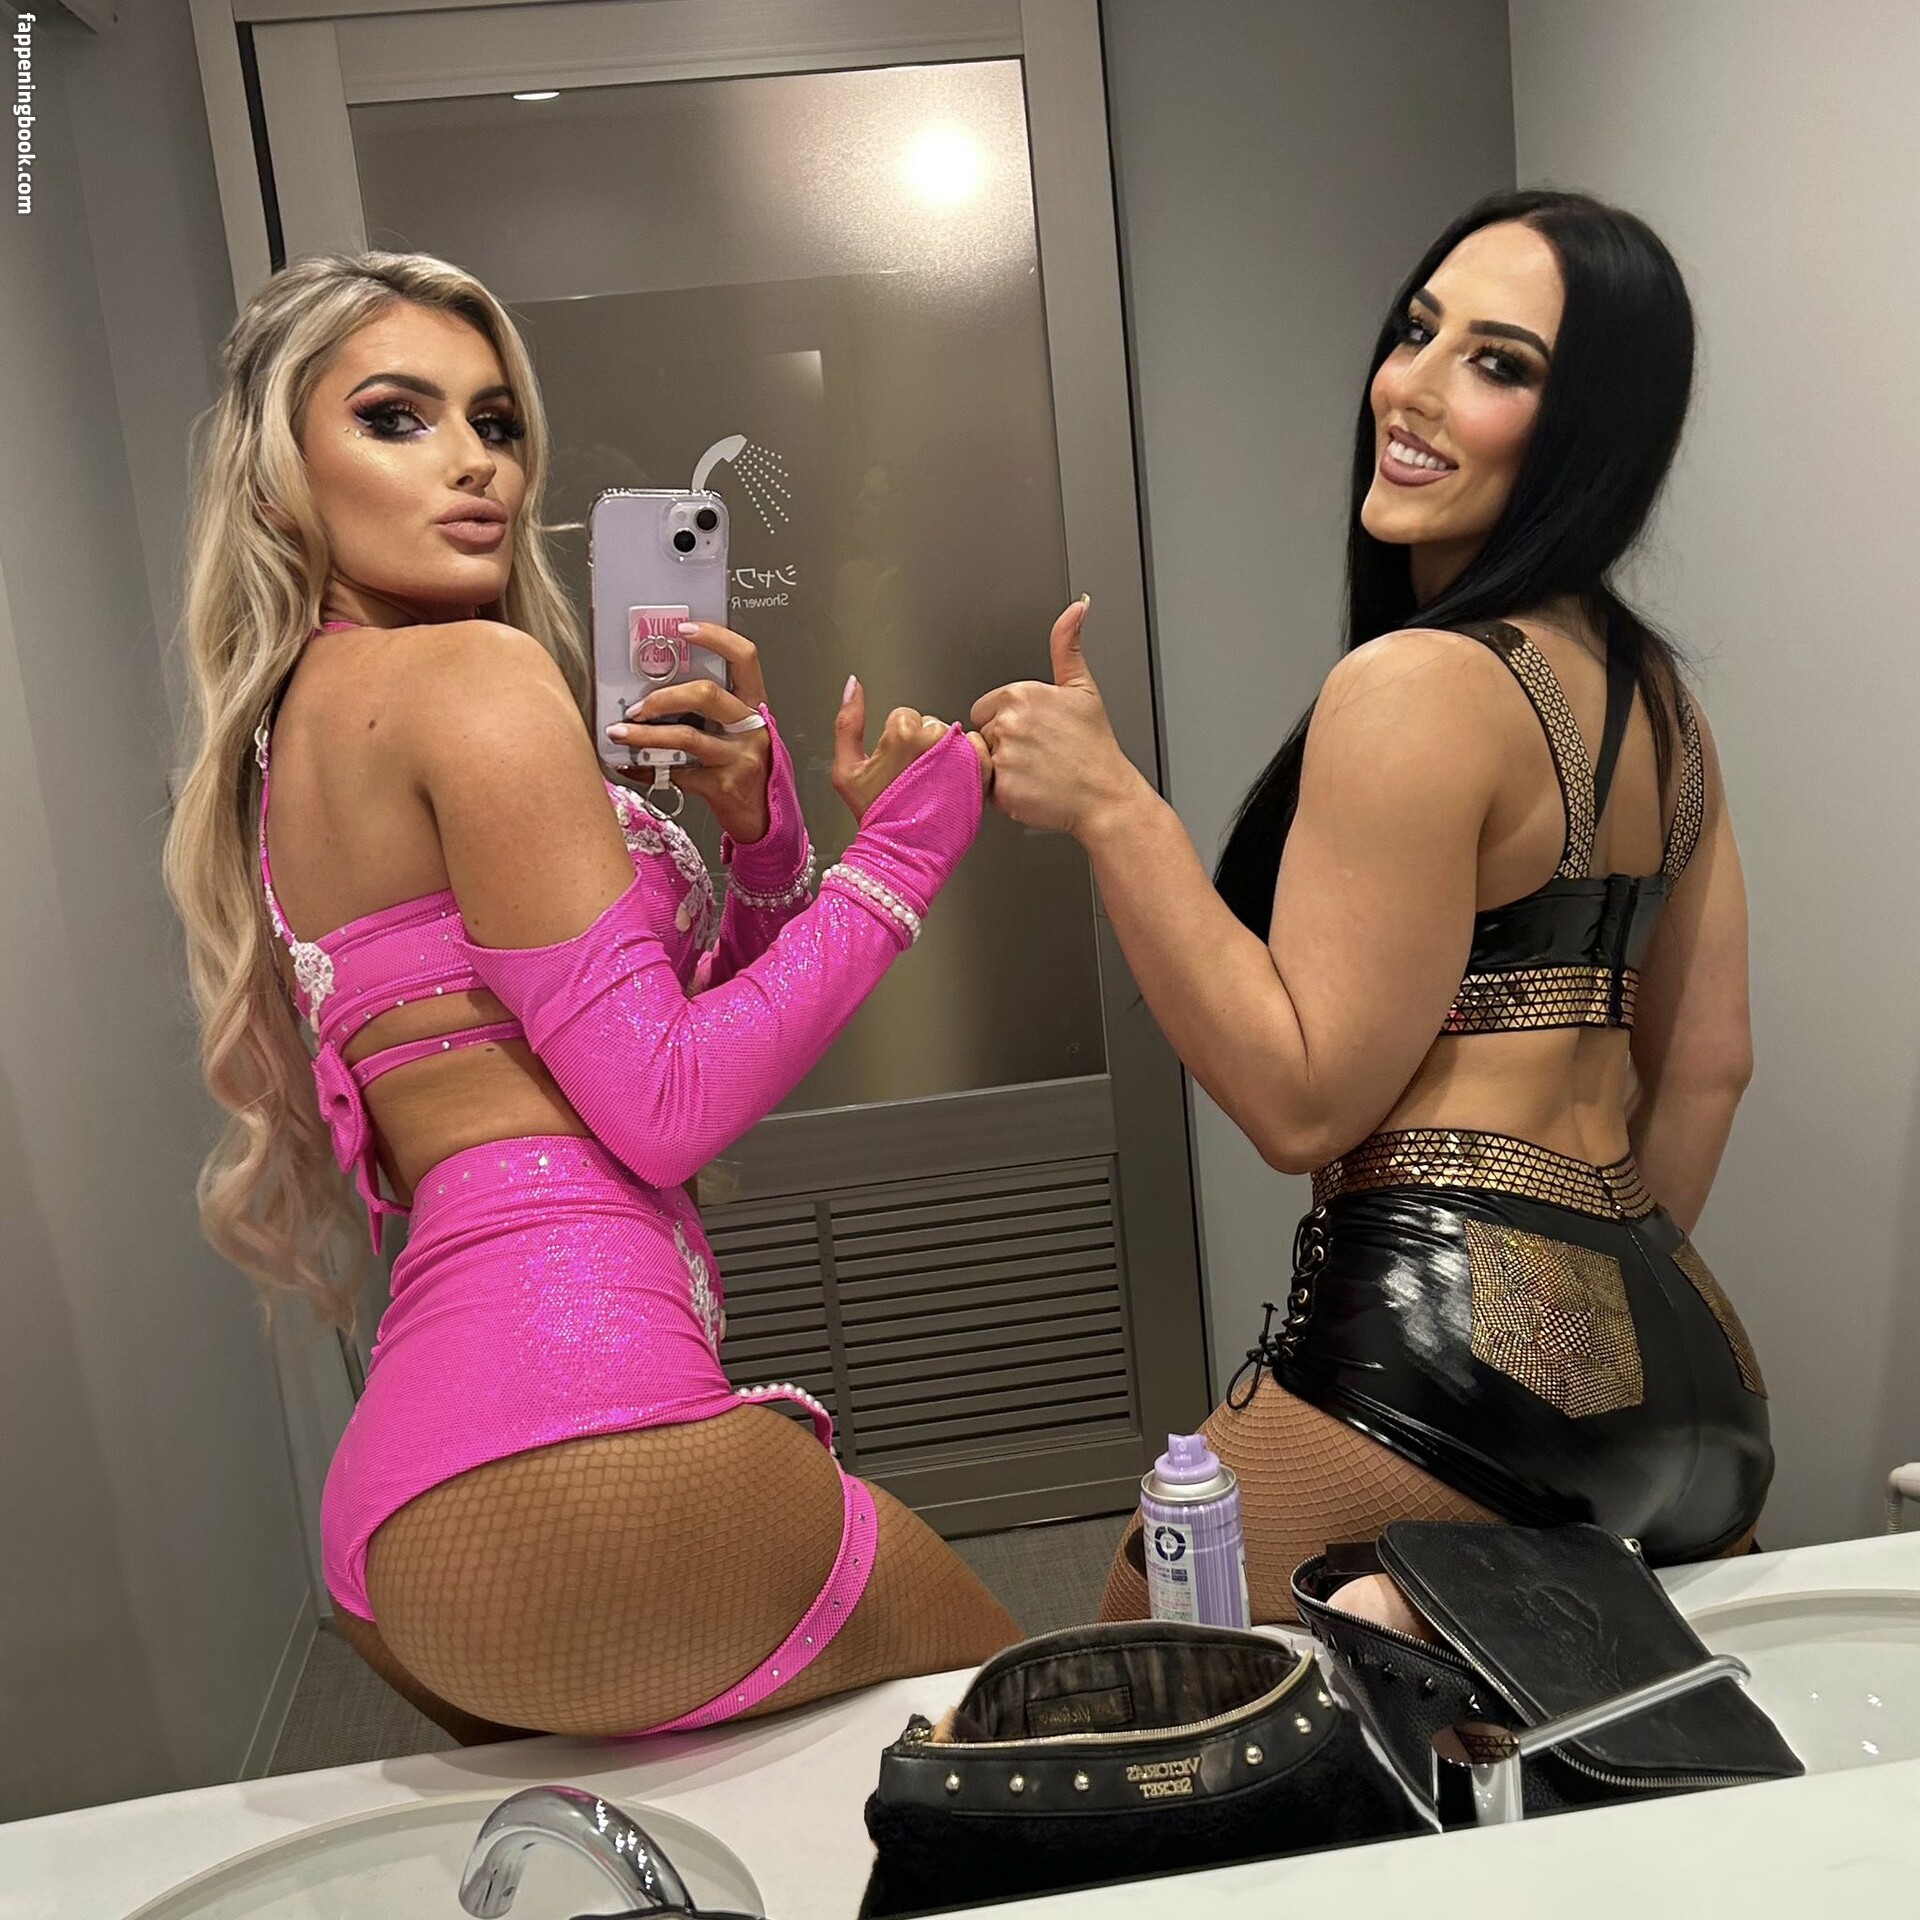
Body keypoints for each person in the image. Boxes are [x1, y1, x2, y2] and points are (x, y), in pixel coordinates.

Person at [162, 250, 1018, 1740]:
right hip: (588, 1431)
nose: (474, 463)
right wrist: (906, 852)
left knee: (705, 1843)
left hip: (401, 1526)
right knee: (1064, 1755)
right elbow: (667, 1106)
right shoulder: (473, 677)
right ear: (280, 472)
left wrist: (764, 843)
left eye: (494, 422)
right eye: (396, 417)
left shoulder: (289, 738)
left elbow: (641, 1047)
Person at [970, 190, 1770, 1632]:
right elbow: (1709, 1066)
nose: (1412, 386)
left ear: (1593, 429)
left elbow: (1301, 1103)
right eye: (1418, 332)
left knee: (1145, 1681)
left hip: (1446, 1366)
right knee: (1551, 1752)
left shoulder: (1417, 682)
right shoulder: (1662, 704)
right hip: (1693, 1371)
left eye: (1499, 362)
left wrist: (1112, 808)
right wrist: (1594, 1344)